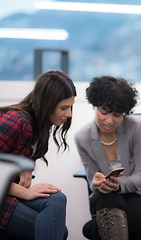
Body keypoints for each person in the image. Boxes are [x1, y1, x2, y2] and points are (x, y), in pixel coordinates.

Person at [74, 76, 141, 240]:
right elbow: (92, 180)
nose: (109, 121)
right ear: (94, 105)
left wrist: (118, 185)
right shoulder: (82, 138)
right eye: (104, 112)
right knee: (102, 197)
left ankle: (94, 230)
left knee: (94, 228)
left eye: (117, 115)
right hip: (113, 200)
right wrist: (96, 182)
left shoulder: (138, 128)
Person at [0, 70, 76, 240]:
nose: (69, 114)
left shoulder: (38, 127)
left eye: (70, 107)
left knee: (57, 198)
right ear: (47, 103)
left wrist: (25, 163)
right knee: (58, 232)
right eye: (63, 108)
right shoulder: (15, 121)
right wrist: (25, 193)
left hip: (9, 195)